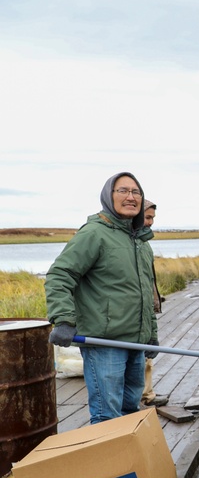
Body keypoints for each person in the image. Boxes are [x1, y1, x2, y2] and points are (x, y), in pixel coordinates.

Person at [45, 172, 158, 424]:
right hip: (104, 343)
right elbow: (60, 275)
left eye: (136, 192)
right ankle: (108, 464)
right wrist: (63, 319)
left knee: (130, 410)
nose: (130, 197)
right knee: (107, 415)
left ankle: (128, 464)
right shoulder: (94, 233)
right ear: (109, 196)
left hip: (135, 345)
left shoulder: (140, 241)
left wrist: (151, 333)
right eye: (123, 191)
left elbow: (144, 293)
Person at [141, 199, 168, 407]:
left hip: (145, 314)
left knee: (147, 360)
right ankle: (143, 397)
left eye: (152, 218)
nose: (150, 223)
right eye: (147, 217)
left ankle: (147, 395)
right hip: (130, 318)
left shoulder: (144, 245)